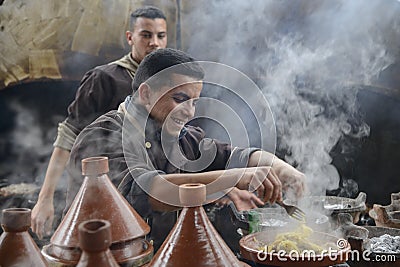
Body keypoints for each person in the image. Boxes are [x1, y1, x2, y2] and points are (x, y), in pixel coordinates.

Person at [66, 48, 306, 251]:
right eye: (180, 99)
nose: (190, 112)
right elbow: (147, 191)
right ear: (146, 93)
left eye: (194, 102)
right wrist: (236, 178)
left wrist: (282, 169)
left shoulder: (181, 138)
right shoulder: (101, 136)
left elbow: (236, 156)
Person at [31, 6, 168, 239]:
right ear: (130, 37)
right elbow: (68, 135)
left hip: (150, 202)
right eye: (146, 35)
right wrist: (45, 199)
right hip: (99, 198)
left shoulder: (169, 84)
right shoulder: (104, 78)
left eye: (160, 36)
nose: (154, 42)